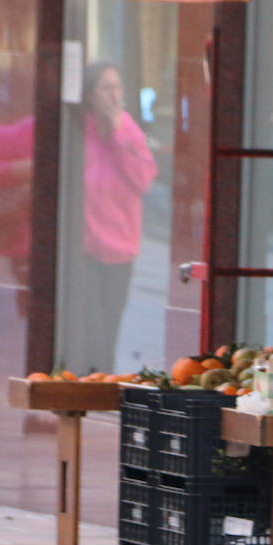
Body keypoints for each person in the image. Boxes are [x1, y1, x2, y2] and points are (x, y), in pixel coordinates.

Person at [68, 61, 157, 374]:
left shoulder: (128, 129)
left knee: (110, 321)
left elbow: (144, 178)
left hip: (120, 245)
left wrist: (118, 132)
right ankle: (92, 378)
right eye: (106, 88)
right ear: (90, 95)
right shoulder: (77, 129)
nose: (113, 95)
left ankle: (101, 380)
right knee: (90, 322)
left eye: (117, 87)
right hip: (85, 245)